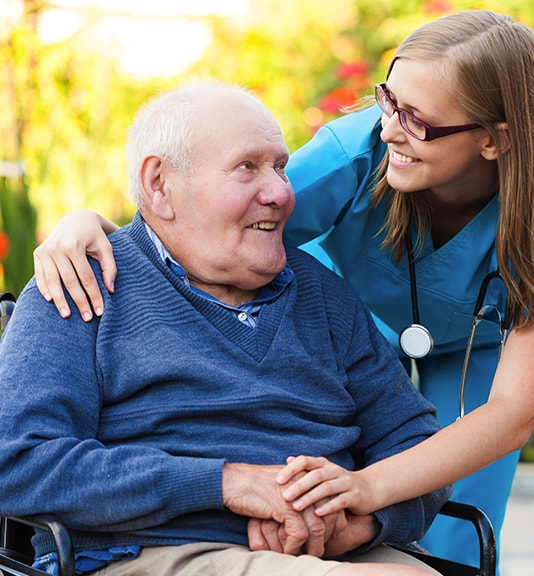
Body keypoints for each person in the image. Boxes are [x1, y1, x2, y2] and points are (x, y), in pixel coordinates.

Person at [30, 8, 534, 569]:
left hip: (478, 349)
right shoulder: (355, 156)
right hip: (363, 324)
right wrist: (90, 226)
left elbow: (514, 410)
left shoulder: (525, 215)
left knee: (455, 540)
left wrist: (364, 505)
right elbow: (190, 227)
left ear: (493, 140)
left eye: (417, 119)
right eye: (388, 100)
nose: (389, 126)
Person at [0, 81, 452, 576]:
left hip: (337, 552)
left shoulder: (323, 294)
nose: (281, 191)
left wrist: (362, 521)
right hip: (152, 552)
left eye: (280, 166)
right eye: (247, 168)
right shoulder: (80, 287)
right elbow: (18, 461)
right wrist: (230, 484)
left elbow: (419, 448)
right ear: (159, 184)